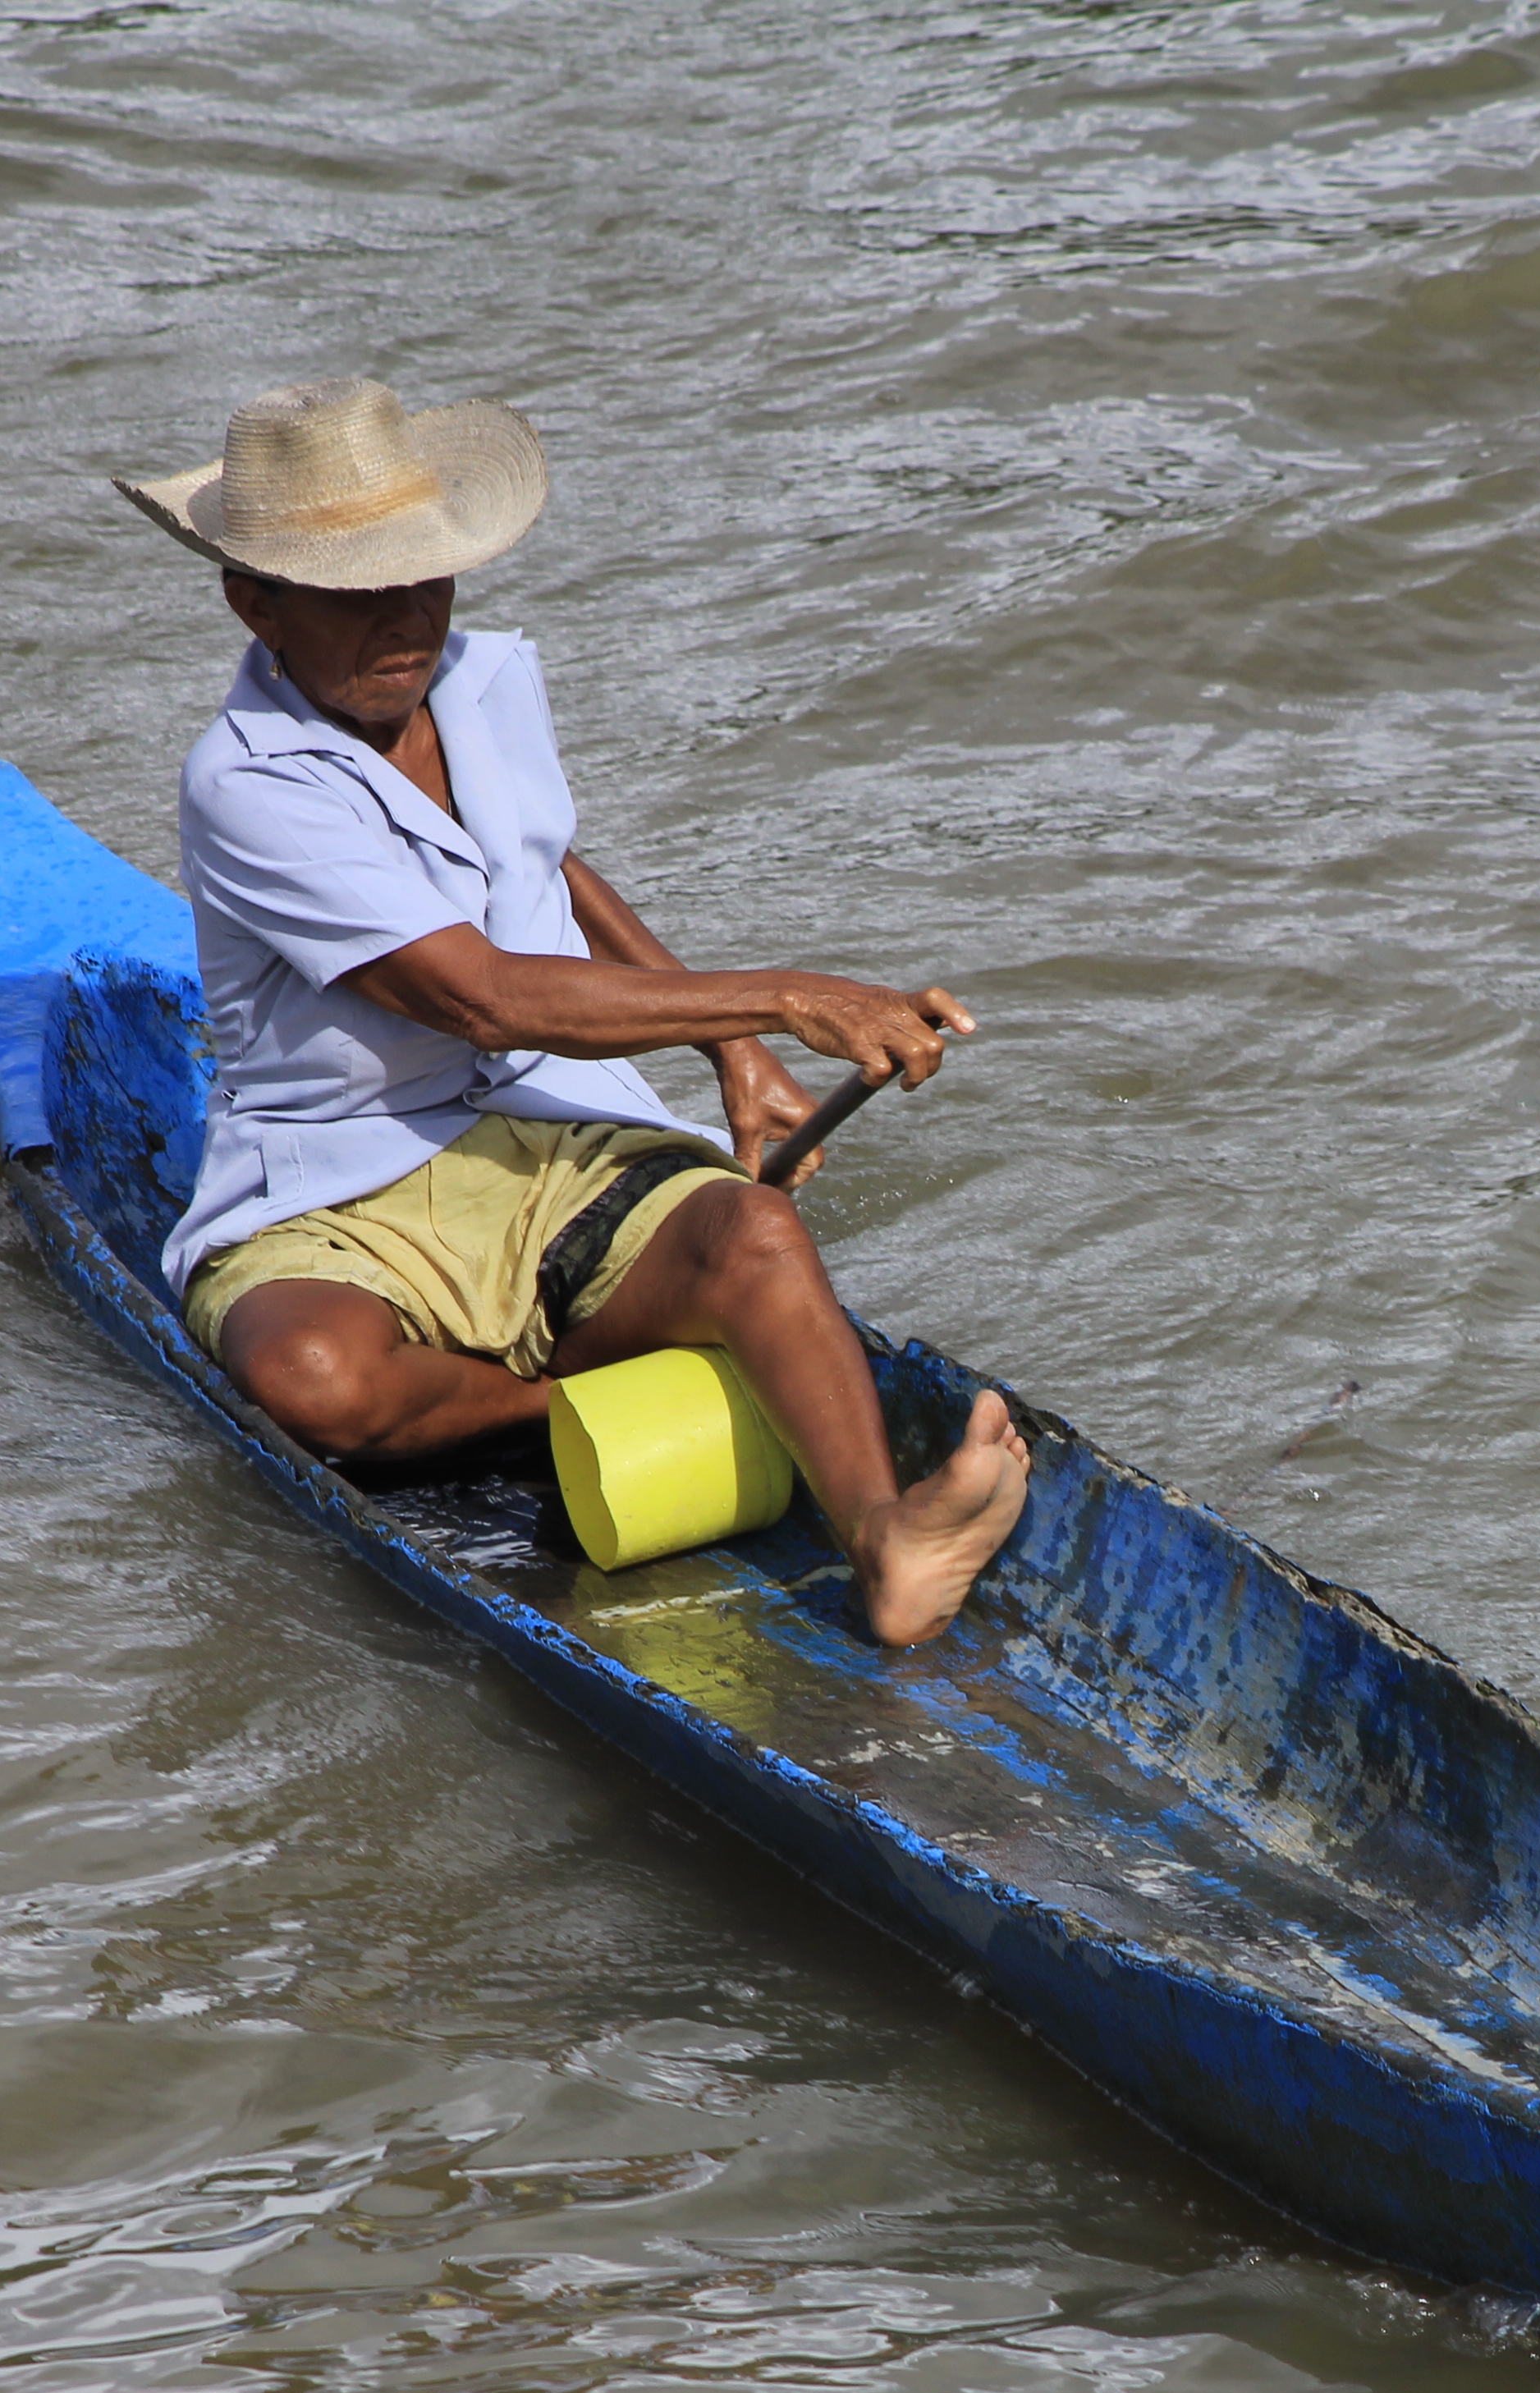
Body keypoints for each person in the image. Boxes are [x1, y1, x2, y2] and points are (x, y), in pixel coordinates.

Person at [114, 374, 1026, 1646]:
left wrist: (736, 1048)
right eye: (355, 593)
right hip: (339, 1184)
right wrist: (785, 992)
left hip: (551, 1135)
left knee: (755, 1234)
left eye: (423, 582)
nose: (403, 622)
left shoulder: (488, 685)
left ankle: (889, 1542)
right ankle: (563, 1398)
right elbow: (476, 998)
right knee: (309, 1381)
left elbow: (543, 867)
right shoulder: (247, 783)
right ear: (254, 601)